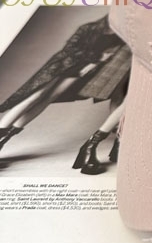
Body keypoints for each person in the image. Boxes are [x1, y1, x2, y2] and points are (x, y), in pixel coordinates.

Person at [0, 15, 130, 173]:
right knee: (34, 97)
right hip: (62, 66)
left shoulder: (121, 34)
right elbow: (70, 50)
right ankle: (2, 133)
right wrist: (96, 59)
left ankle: (4, 140)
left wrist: (96, 62)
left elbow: (110, 57)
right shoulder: (89, 28)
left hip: (81, 70)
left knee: (47, 99)